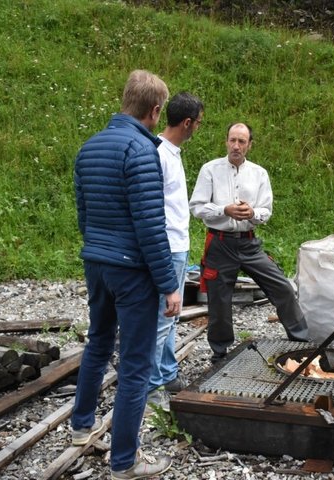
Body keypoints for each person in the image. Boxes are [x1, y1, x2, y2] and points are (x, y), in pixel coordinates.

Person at [71, 69, 180, 479]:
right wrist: (169, 284)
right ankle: (124, 462)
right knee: (135, 365)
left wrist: (100, 249)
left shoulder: (89, 147)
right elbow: (151, 225)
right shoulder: (141, 151)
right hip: (131, 272)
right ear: (154, 110)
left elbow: (84, 214)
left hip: (96, 263)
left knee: (98, 343)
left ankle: (81, 428)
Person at [189, 122, 310, 363]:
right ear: (226, 141)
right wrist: (225, 209)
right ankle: (220, 353)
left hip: (249, 243)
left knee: (282, 287)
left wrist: (252, 213)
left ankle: (301, 341)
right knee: (219, 300)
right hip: (219, 242)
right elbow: (196, 207)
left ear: (249, 145)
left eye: (241, 141)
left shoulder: (259, 173)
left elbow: (266, 210)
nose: (236, 146)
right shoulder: (210, 170)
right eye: (232, 140)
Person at [146, 92, 204, 409]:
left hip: (177, 246)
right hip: (168, 247)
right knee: (162, 319)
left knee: (172, 316)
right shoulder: (158, 154)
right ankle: (152, 387)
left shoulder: (171, 151)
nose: (197, 128)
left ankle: (167, 372)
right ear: (186, 123)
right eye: (197, 123)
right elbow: (153, 209)